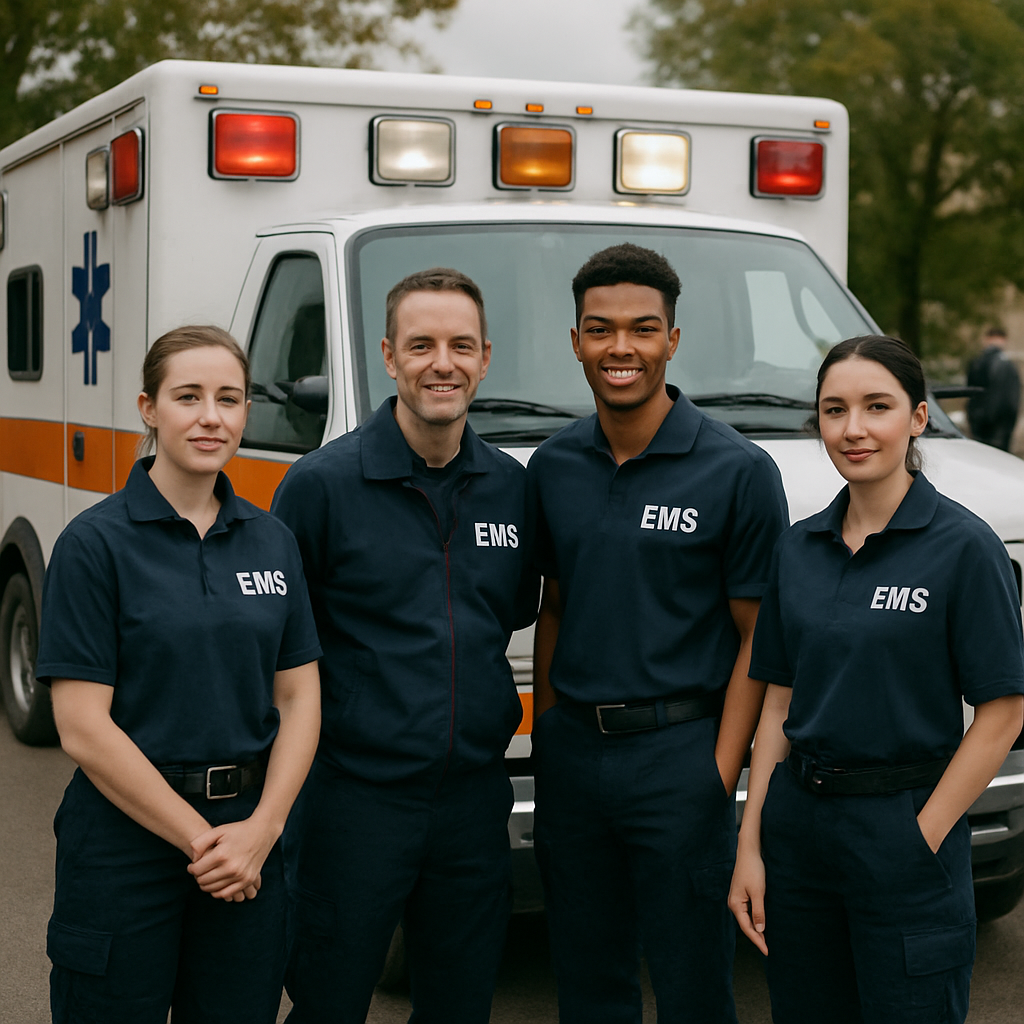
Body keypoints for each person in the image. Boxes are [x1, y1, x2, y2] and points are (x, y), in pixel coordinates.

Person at [528, 242, 789, 1024]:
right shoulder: (553, 466)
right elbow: (554, 606)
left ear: (672, 339)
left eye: (643, 329)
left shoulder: (737, 470)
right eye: (600, 329)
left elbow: (759, 638)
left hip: (680, 756)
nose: (622, 348)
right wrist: (549, 735)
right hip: (575, 759)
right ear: (576, 341)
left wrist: (717, 772)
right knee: (587, 982)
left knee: (693, 986)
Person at [730, 335, 1024, 1024]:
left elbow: (1003, 713)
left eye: (877, 406)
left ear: (918, 417)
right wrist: (752, 842)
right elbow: (778, 702)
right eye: (835, 410)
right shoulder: (798, 546)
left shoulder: (964, 547)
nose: (853, 428)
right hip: (799, 832)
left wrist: (922, 836)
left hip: (904, 823)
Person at [272, 267, 538, 1024]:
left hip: (473, 805)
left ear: (485, 358)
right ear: (388, 356)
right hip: (353, 801)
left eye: (461, 345)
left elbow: (510, 611)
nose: (441, 364)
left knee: (460, 1006)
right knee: (327, 1001)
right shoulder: (321, 487)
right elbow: (282, 650)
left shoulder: (512, 488)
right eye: (421, 345)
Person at [35, 325, 323, 1024]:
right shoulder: (95, 544)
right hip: (124, 839)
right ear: (149, 408)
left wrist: (261, 832)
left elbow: (298, 696)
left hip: (246, 835)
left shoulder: (271, 540)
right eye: (188, 396)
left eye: (228, 398)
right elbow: (82, 727)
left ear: (246, 412)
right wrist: (203, 842)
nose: (210, 417)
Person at [966, 326, 1020, 450]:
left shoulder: (977, 362)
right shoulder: (1006, 364)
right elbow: (1011, 400)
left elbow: (970, 391)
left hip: (980, 422)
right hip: (1000, 424)